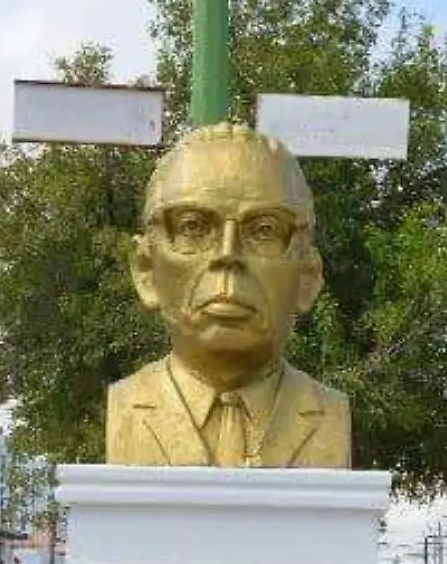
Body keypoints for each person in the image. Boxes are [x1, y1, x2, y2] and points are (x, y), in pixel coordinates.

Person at [105, 122, 351, 469]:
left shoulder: (331, 413)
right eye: (192, 226)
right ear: (146, 270)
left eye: (265, 230)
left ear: (308, 277)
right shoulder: (124, 405)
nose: (227, 254)